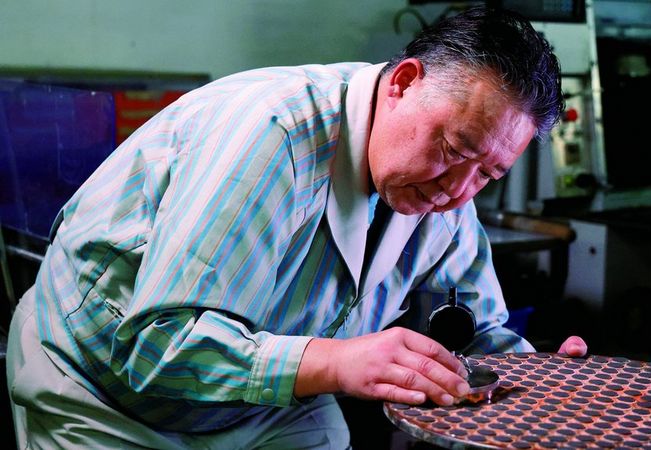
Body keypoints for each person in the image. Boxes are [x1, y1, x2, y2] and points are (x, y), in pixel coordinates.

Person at [6, 5, 586, 449]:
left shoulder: (444, 190)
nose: (459, 189)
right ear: (404, 81)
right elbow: (157, 346)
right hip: (103, 388)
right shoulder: (274, 136)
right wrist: (339, 362)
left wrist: (536, 383)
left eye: (488, 173)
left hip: (263, 401)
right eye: (455, 149)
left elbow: (475, 333)